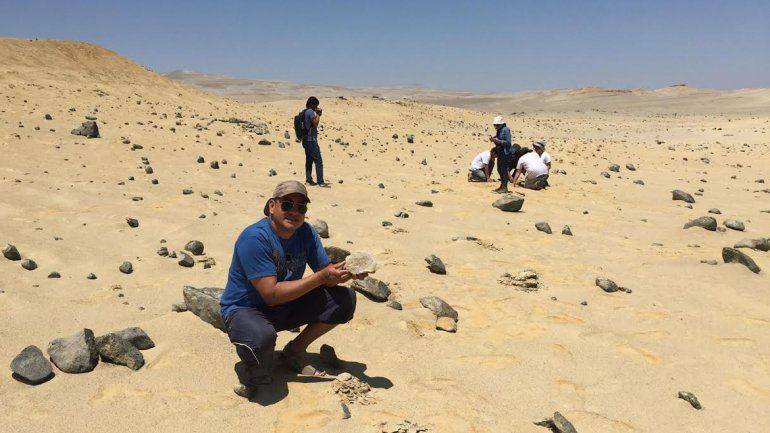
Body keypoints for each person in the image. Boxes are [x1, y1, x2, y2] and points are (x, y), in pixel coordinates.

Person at [220, 180, 364, 398]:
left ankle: (293, 352)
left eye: (301, 207)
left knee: (344, 300)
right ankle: (255, 363)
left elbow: (326, 275)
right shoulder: (255, 238)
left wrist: (345, 273)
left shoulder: (305, 233)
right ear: (271, 206)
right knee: (261, 338)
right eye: (287, 204)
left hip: (285, 303)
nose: (294, 212)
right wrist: (323, 276)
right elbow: (271, 294)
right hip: (245, 309)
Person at [302, 97, 329, 187]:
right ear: (313, 104)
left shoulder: (305, 111)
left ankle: (308, 180)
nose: (316, 107)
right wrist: (318, 114)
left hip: (306, 140)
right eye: (316, 105)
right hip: (311, 141)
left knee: (309, 160)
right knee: (318, 161)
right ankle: (320, 182)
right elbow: (316, 123)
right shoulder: (310, 112)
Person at [488, 116, 512, 193]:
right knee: (499, 169)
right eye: (495, 125)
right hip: (500, 152)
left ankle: (504, 187)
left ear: (501, 124)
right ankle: (502, 186)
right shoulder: (499, 130)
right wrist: (494, 138)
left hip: (505, 152)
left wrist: (498, 141)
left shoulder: (505, 130)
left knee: (503, 170)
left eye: (497, 125)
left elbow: (508, 143)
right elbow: (499, 138)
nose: (495, 127)